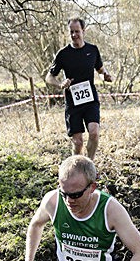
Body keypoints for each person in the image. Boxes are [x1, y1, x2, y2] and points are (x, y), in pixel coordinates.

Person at [46, 18, 112, 160]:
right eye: (71, 32)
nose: (74, 35)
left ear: (83, 31)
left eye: (77, 31)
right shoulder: (63, 54)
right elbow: (49, 77)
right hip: (73, 103)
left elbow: (100, 70)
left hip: (90, 100)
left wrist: (104, 76)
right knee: (78, 143)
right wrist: (60, 84)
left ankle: (90, 164)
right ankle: (76, 168)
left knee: (94, 133)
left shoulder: (92, 50)